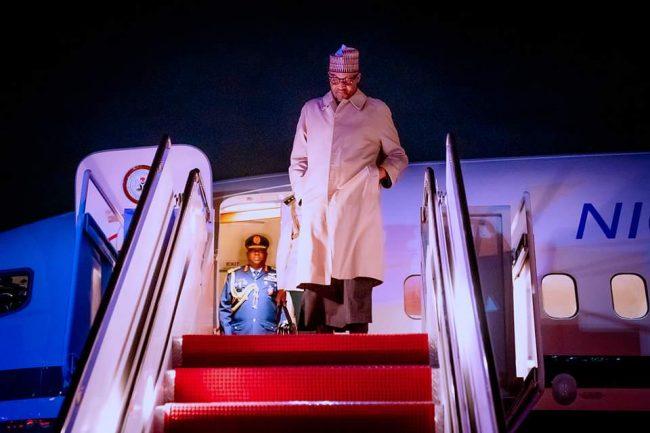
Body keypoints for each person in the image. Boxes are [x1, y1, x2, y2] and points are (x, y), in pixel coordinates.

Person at [288, 44, 408, 333]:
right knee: (318, 278)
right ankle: (317, 355)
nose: (341, 86)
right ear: (328, 77)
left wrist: (375, 174)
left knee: (354, 277)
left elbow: (398, 156)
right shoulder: (311, 110)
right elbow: (298, 161)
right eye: (335, 79)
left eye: (348, 79)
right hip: (318, 209)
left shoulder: (376, 110)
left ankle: (357, 354)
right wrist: (305, 195)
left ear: (359, 77)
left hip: (357, 207)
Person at [219, 234, 288, 335]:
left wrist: (282, 332)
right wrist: (228, 334)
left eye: (260, 250)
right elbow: (224, 307)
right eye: (253, 250)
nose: (256, 253)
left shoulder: (277, 276)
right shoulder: (235, 275)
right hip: (239, 334)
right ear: (247, 253)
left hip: (268, 335)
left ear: (266, 254)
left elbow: (283, 307)